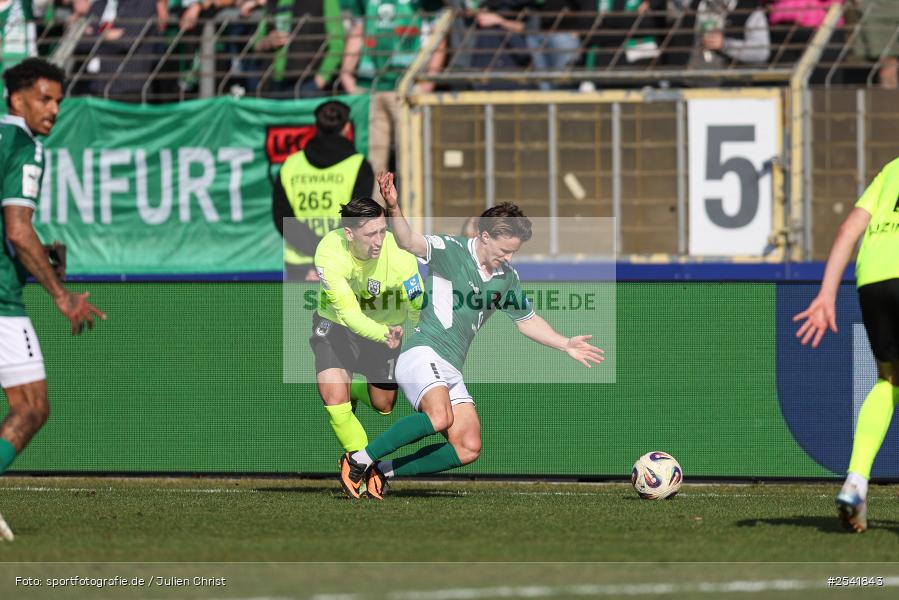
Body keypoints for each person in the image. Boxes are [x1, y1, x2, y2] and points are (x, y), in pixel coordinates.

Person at [338, 172, 604, 500]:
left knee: (468, 446)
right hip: (423, 353)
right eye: (504, 250)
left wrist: (565, 343)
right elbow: (408, 241)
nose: (508, 258)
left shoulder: (506, 278)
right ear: (484, 235)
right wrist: (393, 206)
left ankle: (383, 471)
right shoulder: (450, 250)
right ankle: (358, 460)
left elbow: (527, 320)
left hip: (450, 368)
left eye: (513, 252)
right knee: (439, 417)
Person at [0, 58, 106, 540]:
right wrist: (61, 296)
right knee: (32, 408)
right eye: (45, 98)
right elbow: (20, 231)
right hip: (2, 300)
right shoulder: (25, 145)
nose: (54, 109)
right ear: (16, 97)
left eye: (59, 100)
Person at [793, 156, 899, 533]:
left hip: (873, 279)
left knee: (890, 381)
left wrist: (826, 294)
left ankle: (856, 482)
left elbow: (848, 229)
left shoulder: (891, 170)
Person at [311, 196, 423, 481]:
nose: (379, 240)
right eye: (370, 233)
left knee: (383, 404)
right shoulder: (328, 253)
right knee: (333, 397)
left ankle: (354, 387)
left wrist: (417, 337)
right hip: (336, 324)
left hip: (387, 329)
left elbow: (417, 301)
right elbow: (349, 315)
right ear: (349, 234)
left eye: (382, 231)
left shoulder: (399, 255)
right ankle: (365, 470)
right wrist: (383, 335)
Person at [272, 99, 374, 282]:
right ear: (346, 128)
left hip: (299, 261)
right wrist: (327, 250)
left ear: (316, 127)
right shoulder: (358, 166)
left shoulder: (291, 165)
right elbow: (358, 218)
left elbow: (281, 216)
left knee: (299, 311)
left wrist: (313, 250)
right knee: (346, 311)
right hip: (342, 258)